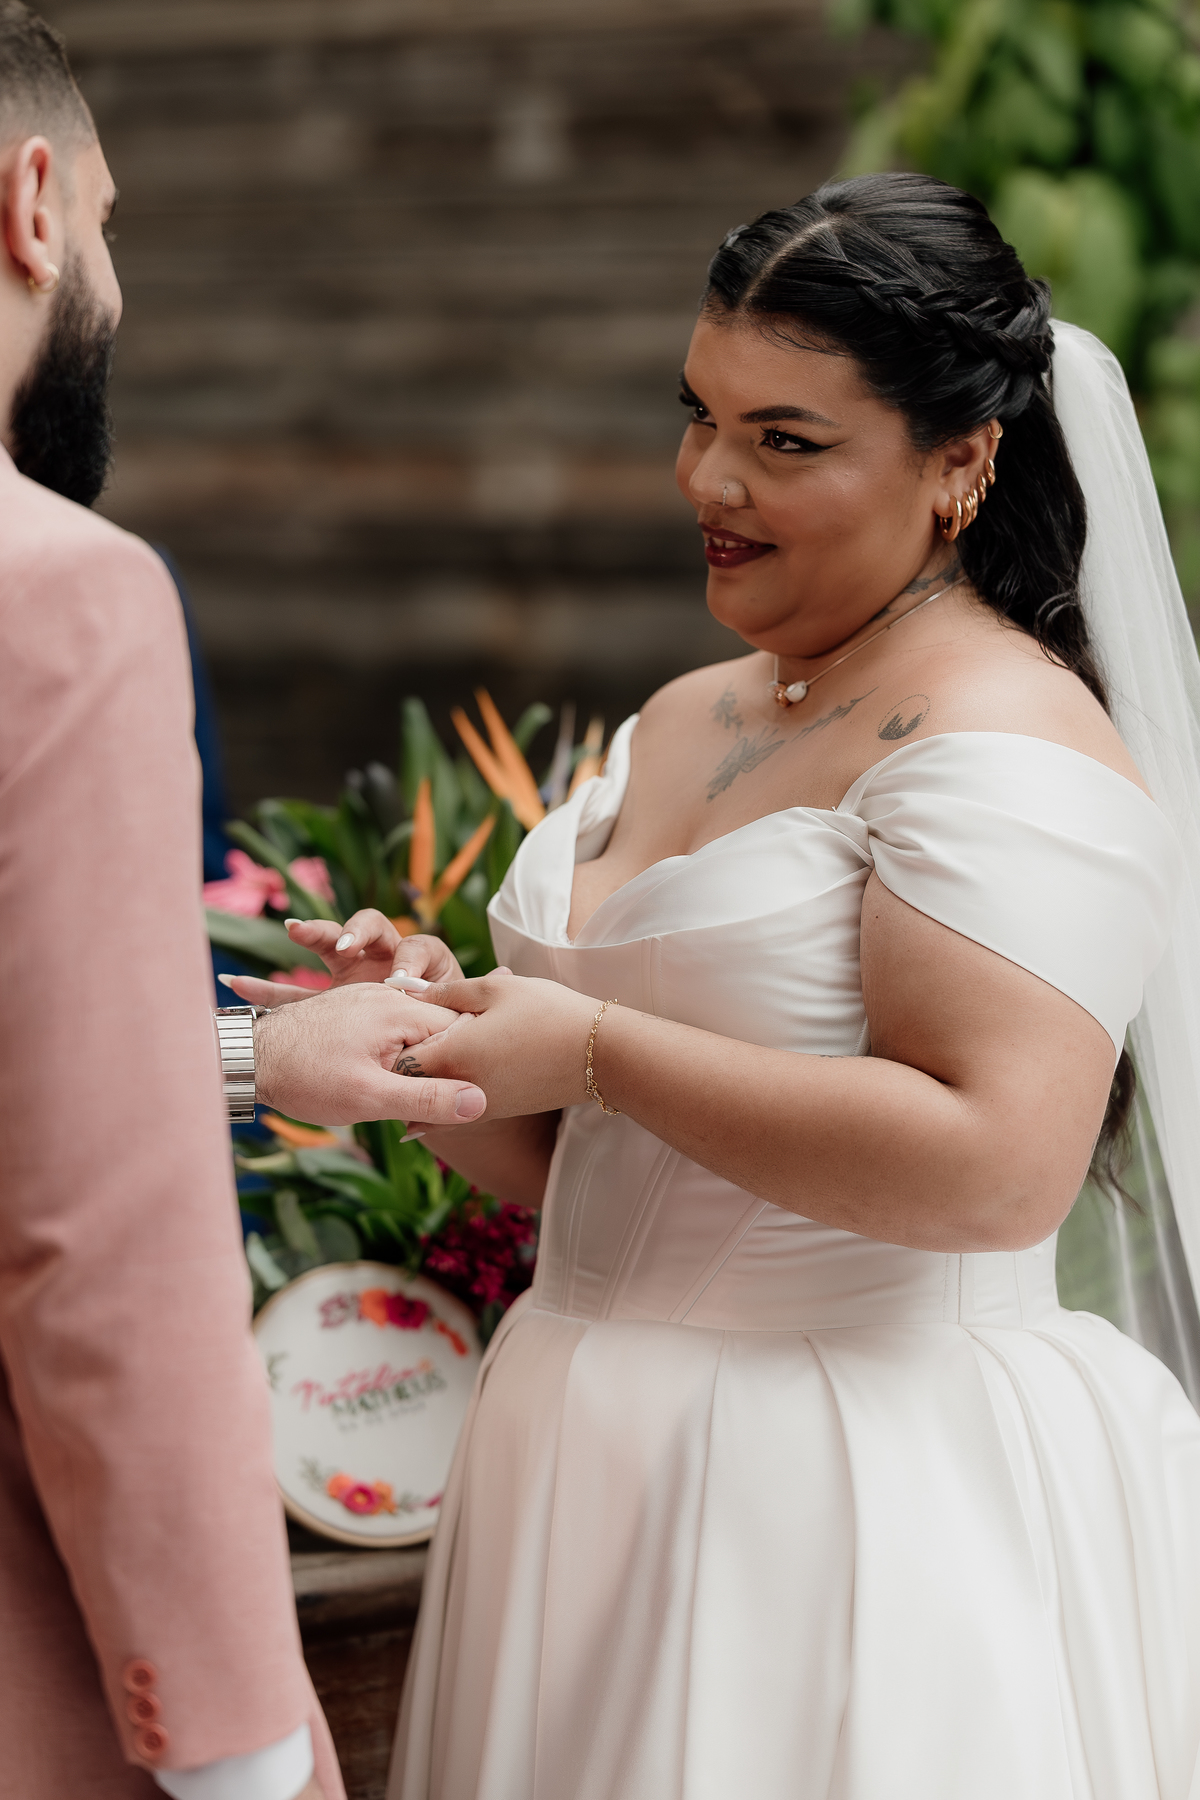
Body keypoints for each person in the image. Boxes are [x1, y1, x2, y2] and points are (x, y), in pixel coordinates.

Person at [235, 174, 1200, 1798]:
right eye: (698, 413)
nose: (708, 478)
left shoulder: (1007, 739)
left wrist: (599, 1047)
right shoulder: (692, 711)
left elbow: (998, 1167)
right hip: (580, 1448)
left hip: (845, 1486)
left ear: (961, 460)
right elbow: (577, 1173)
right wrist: (437, 1036)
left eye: (786, 440)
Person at [0, 8, 346, 1795]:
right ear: (31, 205)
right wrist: (234, 1738)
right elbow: (94, 1235)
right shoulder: (59, 596)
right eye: (111, 224)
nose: (115, 287)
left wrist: (253, 1057)